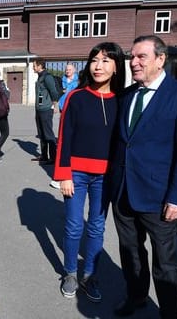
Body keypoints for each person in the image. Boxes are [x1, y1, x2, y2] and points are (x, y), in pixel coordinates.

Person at [107, 35, 177, 318]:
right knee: (130, 252)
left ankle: (171, 313)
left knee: (165, 262)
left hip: (159, 198)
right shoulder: (127, 95)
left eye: (141, 56)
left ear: (160, 59)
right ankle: (136, 296)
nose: (133, 62)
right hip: (123, 192)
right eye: (131, 57)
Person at [53, 42, 126, 302]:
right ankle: (70, 272)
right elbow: (65, 137)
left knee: (96, 227)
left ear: (117, 66)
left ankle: (89, 275)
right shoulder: (77, 96)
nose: (98, 66)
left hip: (105, 177)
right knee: (74, 226)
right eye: (94, 60)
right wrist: (63, 174)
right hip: (77, 174)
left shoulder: (122, 100)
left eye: (106, 60)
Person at [32, 58, 60, 165]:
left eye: (34, 65)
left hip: (46, 110)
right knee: (41, 133)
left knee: (48, 134)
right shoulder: (40, 77)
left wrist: (55, 104)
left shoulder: (47, 77)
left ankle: (53, 157)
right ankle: (44, 156)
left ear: (40, 66)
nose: (33, 67)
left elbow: (53, 91)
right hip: (38, 109)